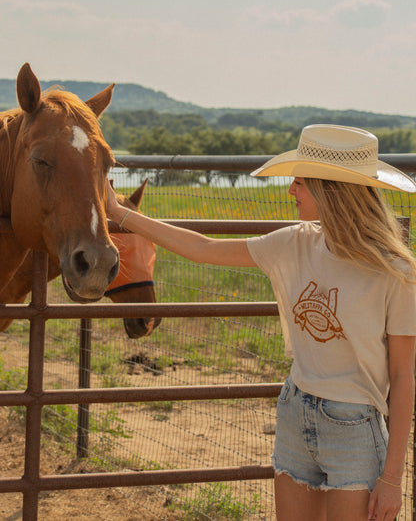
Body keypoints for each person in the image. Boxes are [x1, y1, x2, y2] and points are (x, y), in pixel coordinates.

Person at [106, 124, 416, 521]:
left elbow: (404, 376)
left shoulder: (395, 271)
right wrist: (120, 214)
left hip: (354, 429)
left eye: (300, 183)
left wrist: (392, 478)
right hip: (295, 412)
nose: (290, 192)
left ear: (330, 189)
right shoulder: (295, 242)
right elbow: (202, 248)